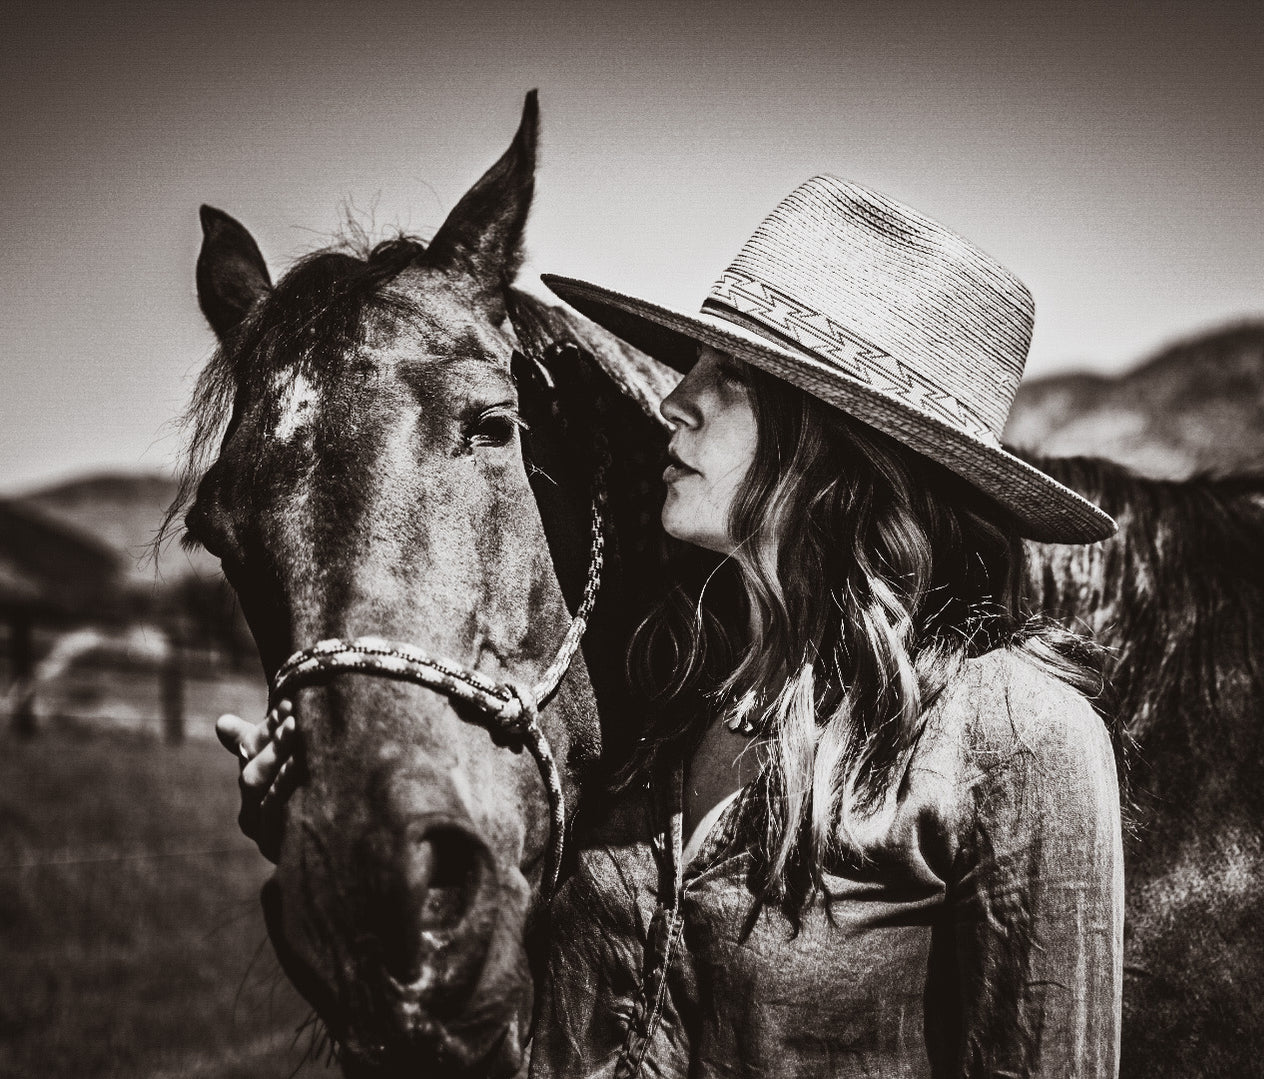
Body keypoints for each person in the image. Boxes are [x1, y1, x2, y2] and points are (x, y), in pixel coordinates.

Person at [221, 175, 1124, 1078]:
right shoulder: (655, 700)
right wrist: (365, 886)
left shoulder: (1015, 735)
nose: (672, 401)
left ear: (840, 442)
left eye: (724, 376)